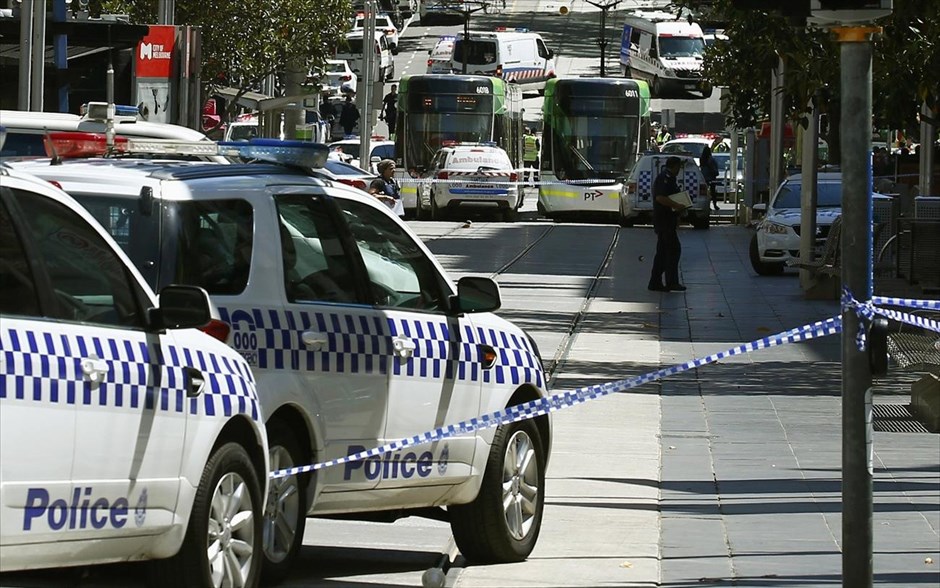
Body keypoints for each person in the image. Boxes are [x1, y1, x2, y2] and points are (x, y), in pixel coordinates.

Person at [648, 157, 688, 292]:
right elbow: (660, 197)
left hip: (667, 220)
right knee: (673, 251)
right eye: (679, 167)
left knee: (663, 253)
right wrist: (677, 205)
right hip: (663, 221)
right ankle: (671, 282)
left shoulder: (670, 178)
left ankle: (655, 282)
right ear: (674, 166)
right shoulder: (664, 178)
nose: (679, 170)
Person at [699, 145, 720, 210]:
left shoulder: (702, 159)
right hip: (711, 177)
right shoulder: (711, 159)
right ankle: (715, 205)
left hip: (704, 177)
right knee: (713, 192)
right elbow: (714, 168)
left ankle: (707, 205)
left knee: (705, 193)